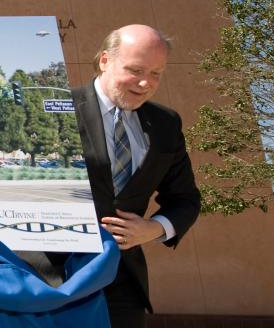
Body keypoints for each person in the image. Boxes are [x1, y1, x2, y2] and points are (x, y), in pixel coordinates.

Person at [73, 24, 201, 327]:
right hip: (51, 277)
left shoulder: (166, 124)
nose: (145, 83)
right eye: (135, 70)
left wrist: (154, 228)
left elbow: (186, 199)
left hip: (122, 280)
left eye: (156, 73)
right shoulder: (57, 108)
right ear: (105, 60)